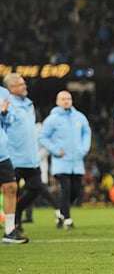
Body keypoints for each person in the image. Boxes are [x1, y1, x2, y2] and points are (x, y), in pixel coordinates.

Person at [3, 73, 62, 232]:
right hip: (13, 157)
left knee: (36, 188)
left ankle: (17, 212)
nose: (25, 86)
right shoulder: (6, 103)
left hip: (30, 158)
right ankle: (14, 224)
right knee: (11, 191)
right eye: (21, 84)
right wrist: (4, 112)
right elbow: (6, 122)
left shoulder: (29, 104)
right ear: (11, 89)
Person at [38, 90, 92, 229]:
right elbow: (43, 137)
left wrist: (84, 148)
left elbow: (87, 132)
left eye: (68, 98)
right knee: (66, 189)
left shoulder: (79, 117)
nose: (66, 101)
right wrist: (55, 150)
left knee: (76, 190)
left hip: (77, 160)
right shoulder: (52, 119)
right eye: (63, 99)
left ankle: (61, 212)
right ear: (57, 101)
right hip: (61, 161)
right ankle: (67, 218)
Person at [0, 86, 28, 244]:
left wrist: (4, 112)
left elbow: (9, 120)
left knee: (11, 187)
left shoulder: (3, 93)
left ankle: (9, 231)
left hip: (2, 150)